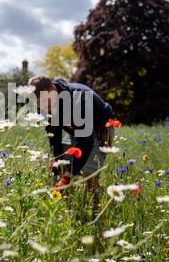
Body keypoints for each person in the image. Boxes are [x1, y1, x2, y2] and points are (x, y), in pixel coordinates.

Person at [28, 75, 116, 213]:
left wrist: (68, 177)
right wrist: (57, 156)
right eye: (40, 105)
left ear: (53, 90)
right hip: (76, 130)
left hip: (99, 128)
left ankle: (96, 216)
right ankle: (70, 212)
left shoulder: (80, 99)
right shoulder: (45, 101)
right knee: (59, 167)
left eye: (48, 104)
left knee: (89, 173)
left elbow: (86, 143)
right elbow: (52, 130)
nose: (46, 109)